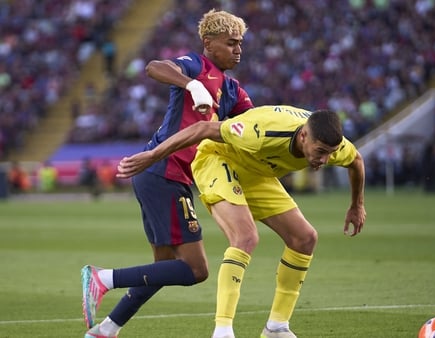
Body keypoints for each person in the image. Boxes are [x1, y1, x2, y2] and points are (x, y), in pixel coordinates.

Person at [113, 106, 366, 338]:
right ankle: (222, 330)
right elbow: (202, 129)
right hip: (217, 158)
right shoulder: (263, 131)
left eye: (329, 154)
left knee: (305, 238)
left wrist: (357, 205)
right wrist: (153, 155)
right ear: (303, 137)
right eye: (320, 152)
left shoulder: (334, 145)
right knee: (246, 237)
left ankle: (277, 327)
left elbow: (356, 161)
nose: (324, 160)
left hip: (256, 171)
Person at [81, 9, 253, 338]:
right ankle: (102, 278)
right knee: (196, 269)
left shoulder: (231, 90)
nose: (238, 50)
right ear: (208, 43)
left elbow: (255, 123)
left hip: (166, 176)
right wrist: (192, 86)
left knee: (161, 270)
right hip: (163, 173)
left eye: (241, 43)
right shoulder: (195, 65)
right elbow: (154, 67)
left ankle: (105, 330)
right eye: (231, 43)